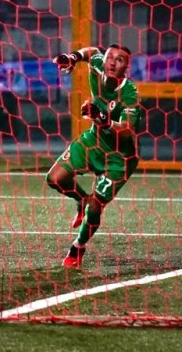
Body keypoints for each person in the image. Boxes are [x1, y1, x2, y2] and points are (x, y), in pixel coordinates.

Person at [47, 44, 141, 269]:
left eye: (119, 60)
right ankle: (81, 200)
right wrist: (73, 57)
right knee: (55, 179)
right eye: (110, 57)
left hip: (118, 159)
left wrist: (103, 118)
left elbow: (127, 130)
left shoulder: (130, 93)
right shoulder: (99, 66)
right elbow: (91, 52)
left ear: (126, 67)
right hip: (93, 141)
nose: (112, 62)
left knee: (96, 207)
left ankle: (78, 247)